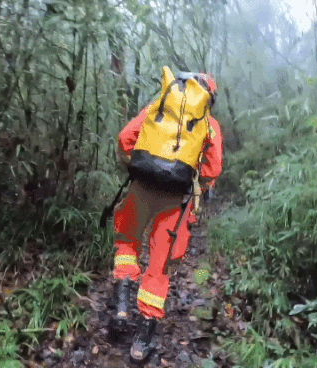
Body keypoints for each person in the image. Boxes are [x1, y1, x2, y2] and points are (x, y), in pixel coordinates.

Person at [109, 70, 222, 361]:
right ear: (208, 99)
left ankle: (121, 305)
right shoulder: (209, 127)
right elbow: (212, 169)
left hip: (140, 189)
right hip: (175, 201)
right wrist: (195, 185)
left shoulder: (158, 107)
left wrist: (137, 167)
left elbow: (125, 138)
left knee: (127, 242)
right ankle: (141, 342)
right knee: (159, 264)